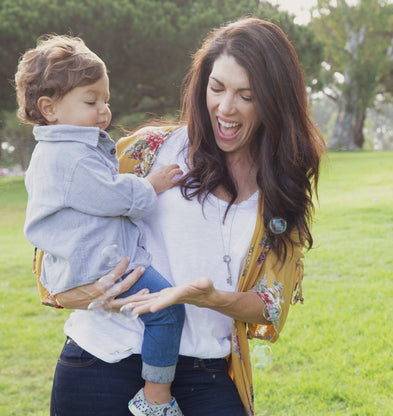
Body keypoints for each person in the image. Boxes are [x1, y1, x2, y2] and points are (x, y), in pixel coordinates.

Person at [39, 17, 325, 416]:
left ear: (275, 100)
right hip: (100, 361)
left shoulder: (282, 188)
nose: (225, 108)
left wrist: (212, 299)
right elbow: (57, 236)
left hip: (205, 373)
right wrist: (84, 293)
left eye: (247, 94)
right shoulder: (149, 151)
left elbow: (271, 305)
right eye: (217, 88)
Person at [15, 35, 186, 416]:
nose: (104, 110)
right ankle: (156, 398)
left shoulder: (61, 150)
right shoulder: (71, 156)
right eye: (91, 101)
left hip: (85, 262)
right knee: (169, 309)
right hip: (100, 265)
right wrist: (151, 186)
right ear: (50, 108)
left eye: (105, 100)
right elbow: (112, 195)